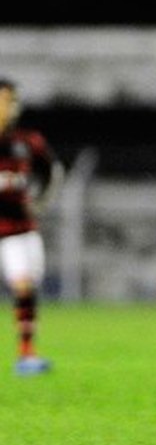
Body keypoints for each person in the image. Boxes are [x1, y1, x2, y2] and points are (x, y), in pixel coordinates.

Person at [0, 79, 63, 376]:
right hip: (4, 230)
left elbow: (52, 171)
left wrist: (39, 203)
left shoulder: (27, 142)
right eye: (3, 100)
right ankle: (26, 354)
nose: (7, 107)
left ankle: (27, 352)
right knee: (23, 284)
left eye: (11, 101)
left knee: (28, 288)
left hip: (22, 227)